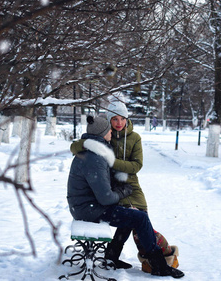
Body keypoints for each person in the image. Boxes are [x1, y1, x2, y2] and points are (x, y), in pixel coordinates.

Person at [70, 98, 181, 274]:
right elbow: (80, 147)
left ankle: (125, 256)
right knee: (134, 218)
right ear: (109, 122)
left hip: (130, 184)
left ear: (127, 119)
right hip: (109, 187)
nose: (119, 123)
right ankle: (154, 261)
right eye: (114, 119)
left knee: (140, 216)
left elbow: (136, 166)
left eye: (122, 118)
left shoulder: (134, 138)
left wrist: (112, 162)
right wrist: (84, 145)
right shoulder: (104, 135)